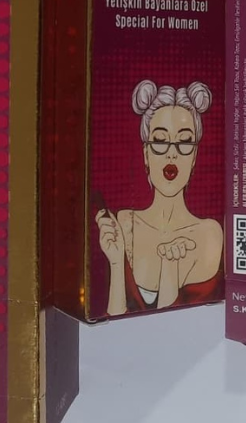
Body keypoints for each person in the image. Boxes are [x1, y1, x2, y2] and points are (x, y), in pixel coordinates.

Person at [96, 79, 224, 316]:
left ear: (194, 156)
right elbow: (113, 320)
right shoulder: (123, 224)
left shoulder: (209, 234)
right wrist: (116, 261)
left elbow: (177, 327)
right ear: (146, 153)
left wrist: (170, 268)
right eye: (160, 141)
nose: (171, 154)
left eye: (184, 142)